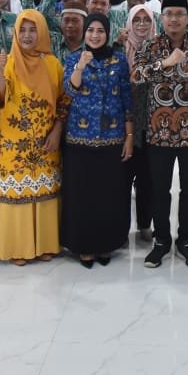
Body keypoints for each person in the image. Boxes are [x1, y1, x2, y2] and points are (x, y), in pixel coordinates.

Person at [130, 0, 188, 269]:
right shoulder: (150, 46)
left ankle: (186, 241)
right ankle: (161, 241)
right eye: (169, 14)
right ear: (162, 18)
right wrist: (165, 63)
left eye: (179, 14)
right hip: (158, 132)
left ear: (187, 16)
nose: (174, 19)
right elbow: (136, 76)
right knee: (159, 190)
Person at [0, 9, 63, 265]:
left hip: (45, 144)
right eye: (22, 30)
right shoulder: (8, 62)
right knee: (16, 196)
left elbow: (63, 102)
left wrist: (57, 131)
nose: (27, 35)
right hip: (13, 146)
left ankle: (45, 244)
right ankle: (17, 247)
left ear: (42, 32)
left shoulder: (52, 64)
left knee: (45, 192)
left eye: (33, 30)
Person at [61, 14, 133, 266]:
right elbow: (69, 90)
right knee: (81, 195)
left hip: (112, 139)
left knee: (108, 195)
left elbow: (127, 99)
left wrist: (129, 136)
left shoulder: (119, 60)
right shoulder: (74, 58)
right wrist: (81, 66)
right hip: (79, 140)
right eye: (90, 30)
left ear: (107, 33)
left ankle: (106, 244)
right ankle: (83, 246)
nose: (94, 35)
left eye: (100, 30)